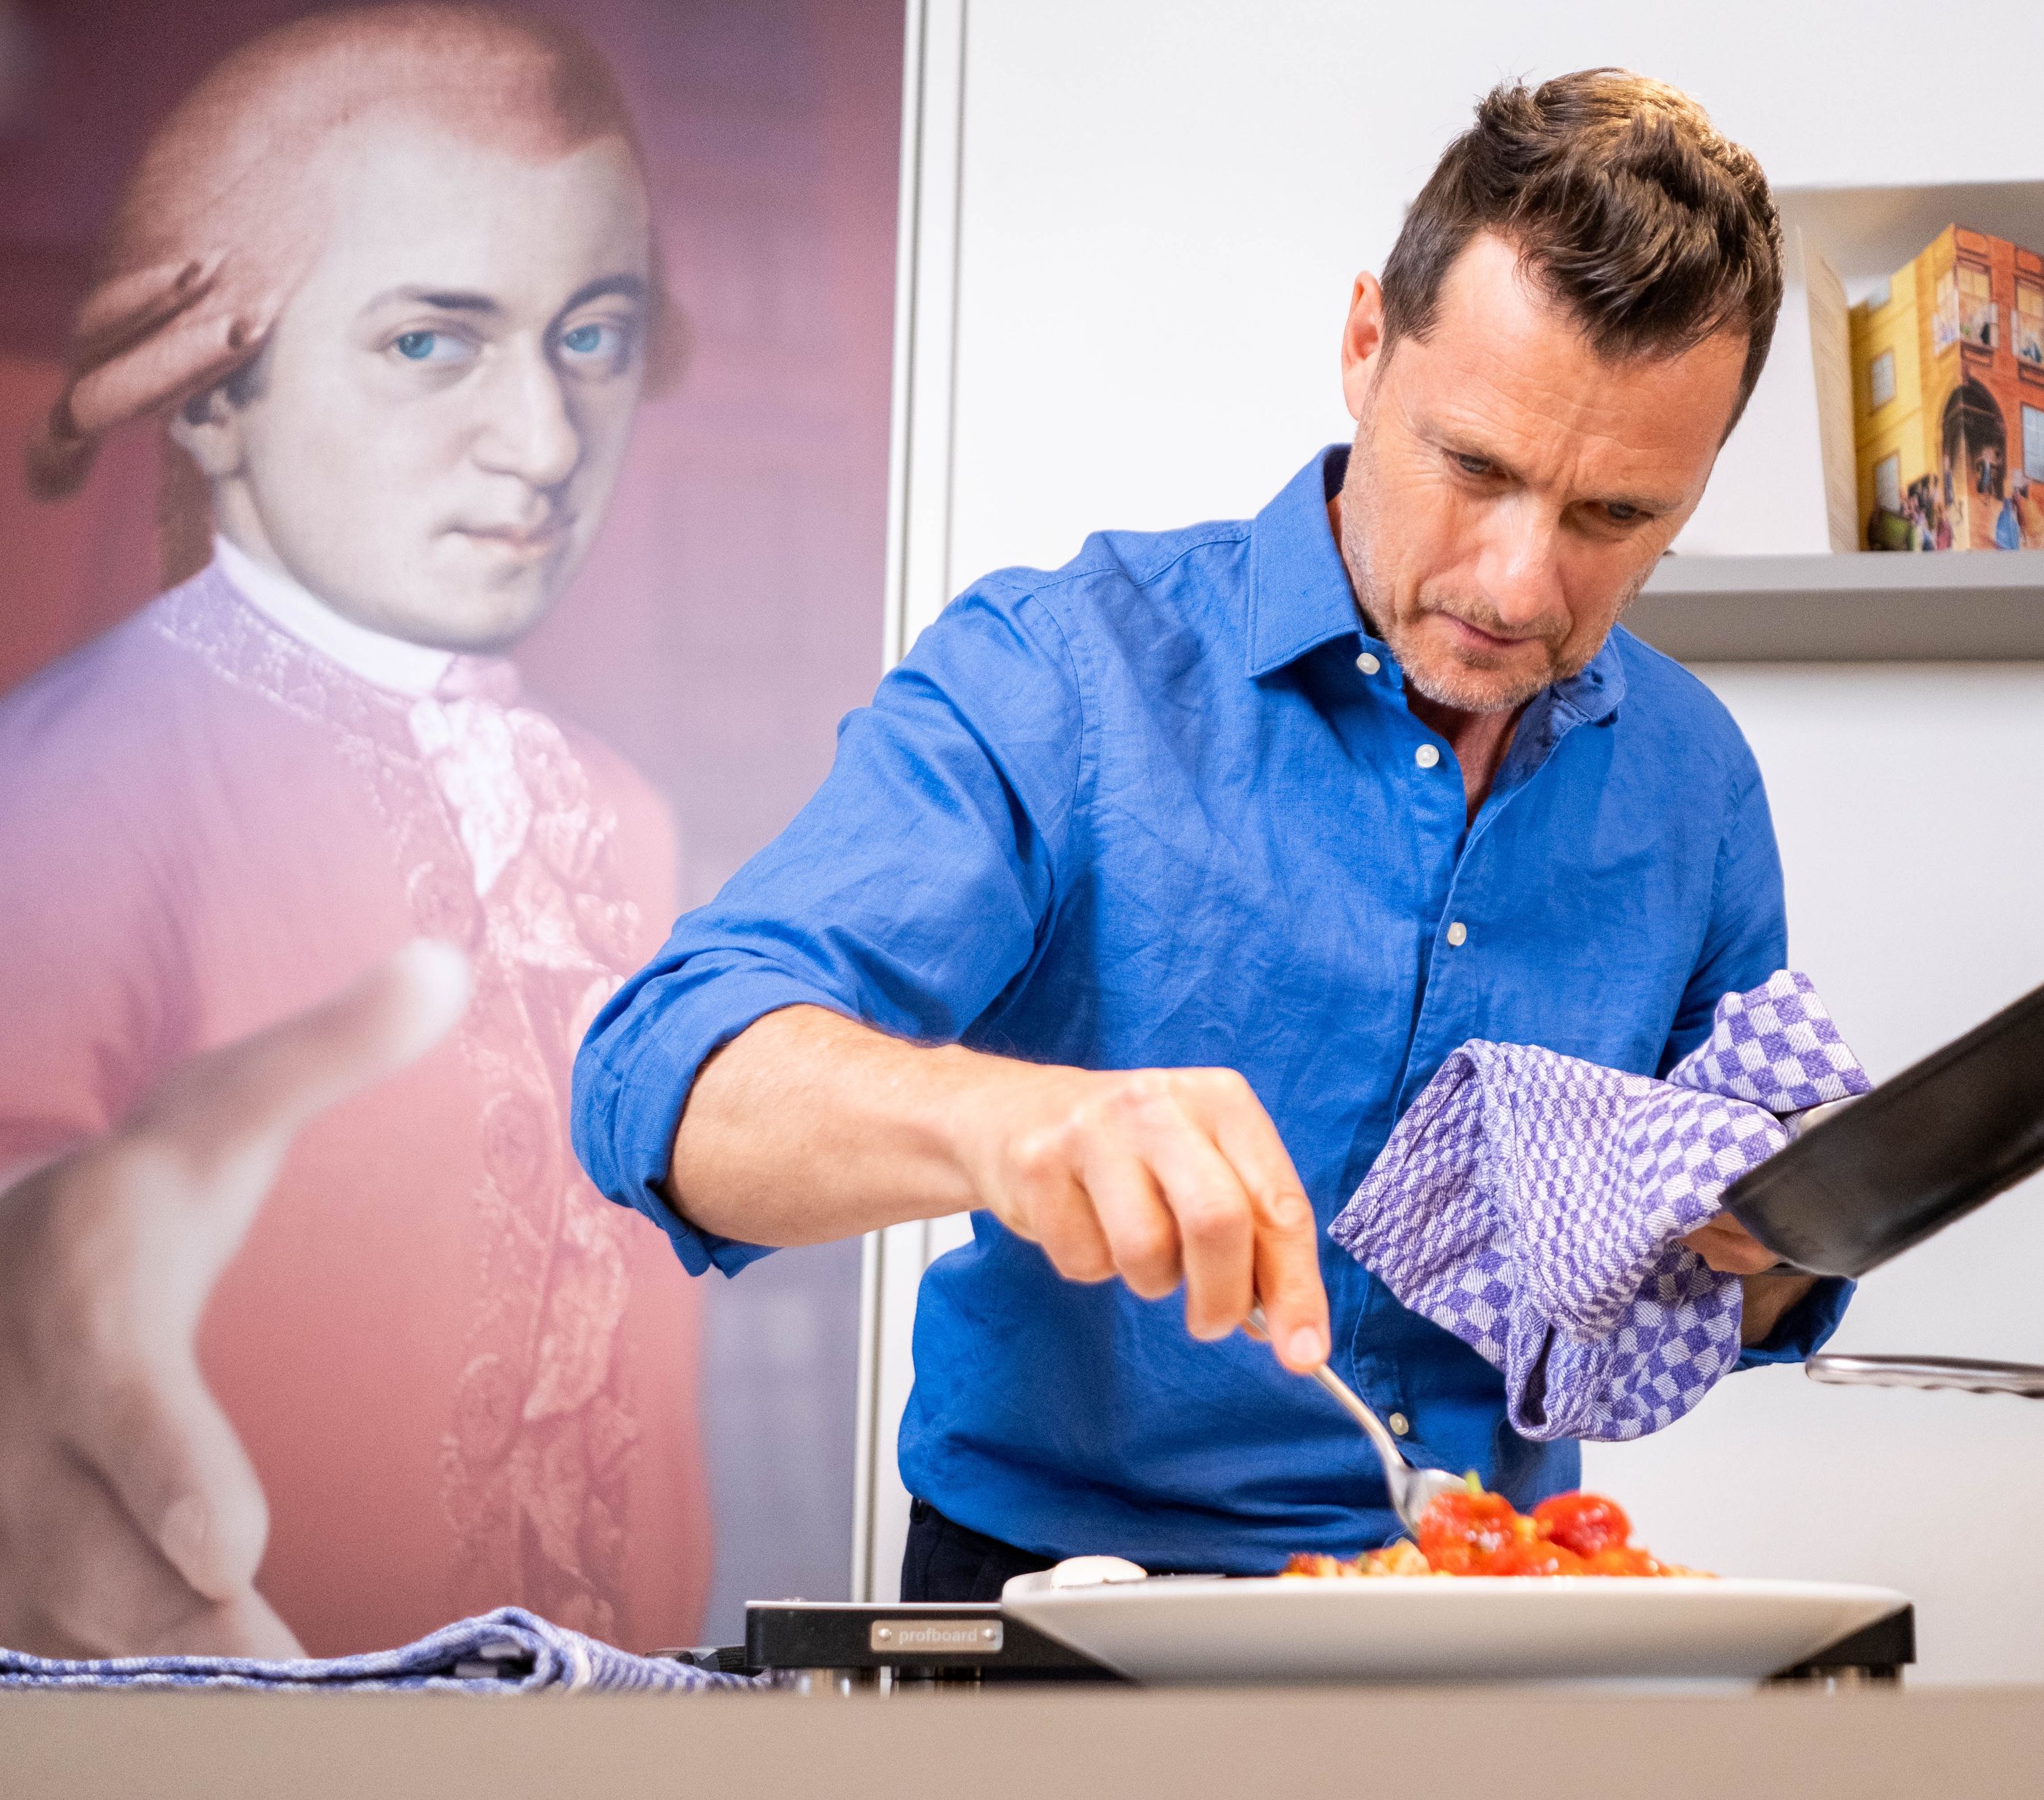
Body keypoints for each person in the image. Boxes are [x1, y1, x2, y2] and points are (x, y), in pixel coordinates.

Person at [575, 70, 1847, 1602]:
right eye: (1476, 469)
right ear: (1365, 344)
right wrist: (1016, 1124)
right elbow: (660, 1077)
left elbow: (1755, 1278)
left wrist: (1757, 1244)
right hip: (1051, 1606)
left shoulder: (1691, 782)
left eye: (1612, 517)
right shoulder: (1063, 674)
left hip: (1481, 1608)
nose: (1518, 584)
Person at [0, 5, 707, 1658]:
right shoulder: (73, 778)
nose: (541, 444)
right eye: (427, 342)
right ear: (206, 395)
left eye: (590, 338)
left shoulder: (622, 811)